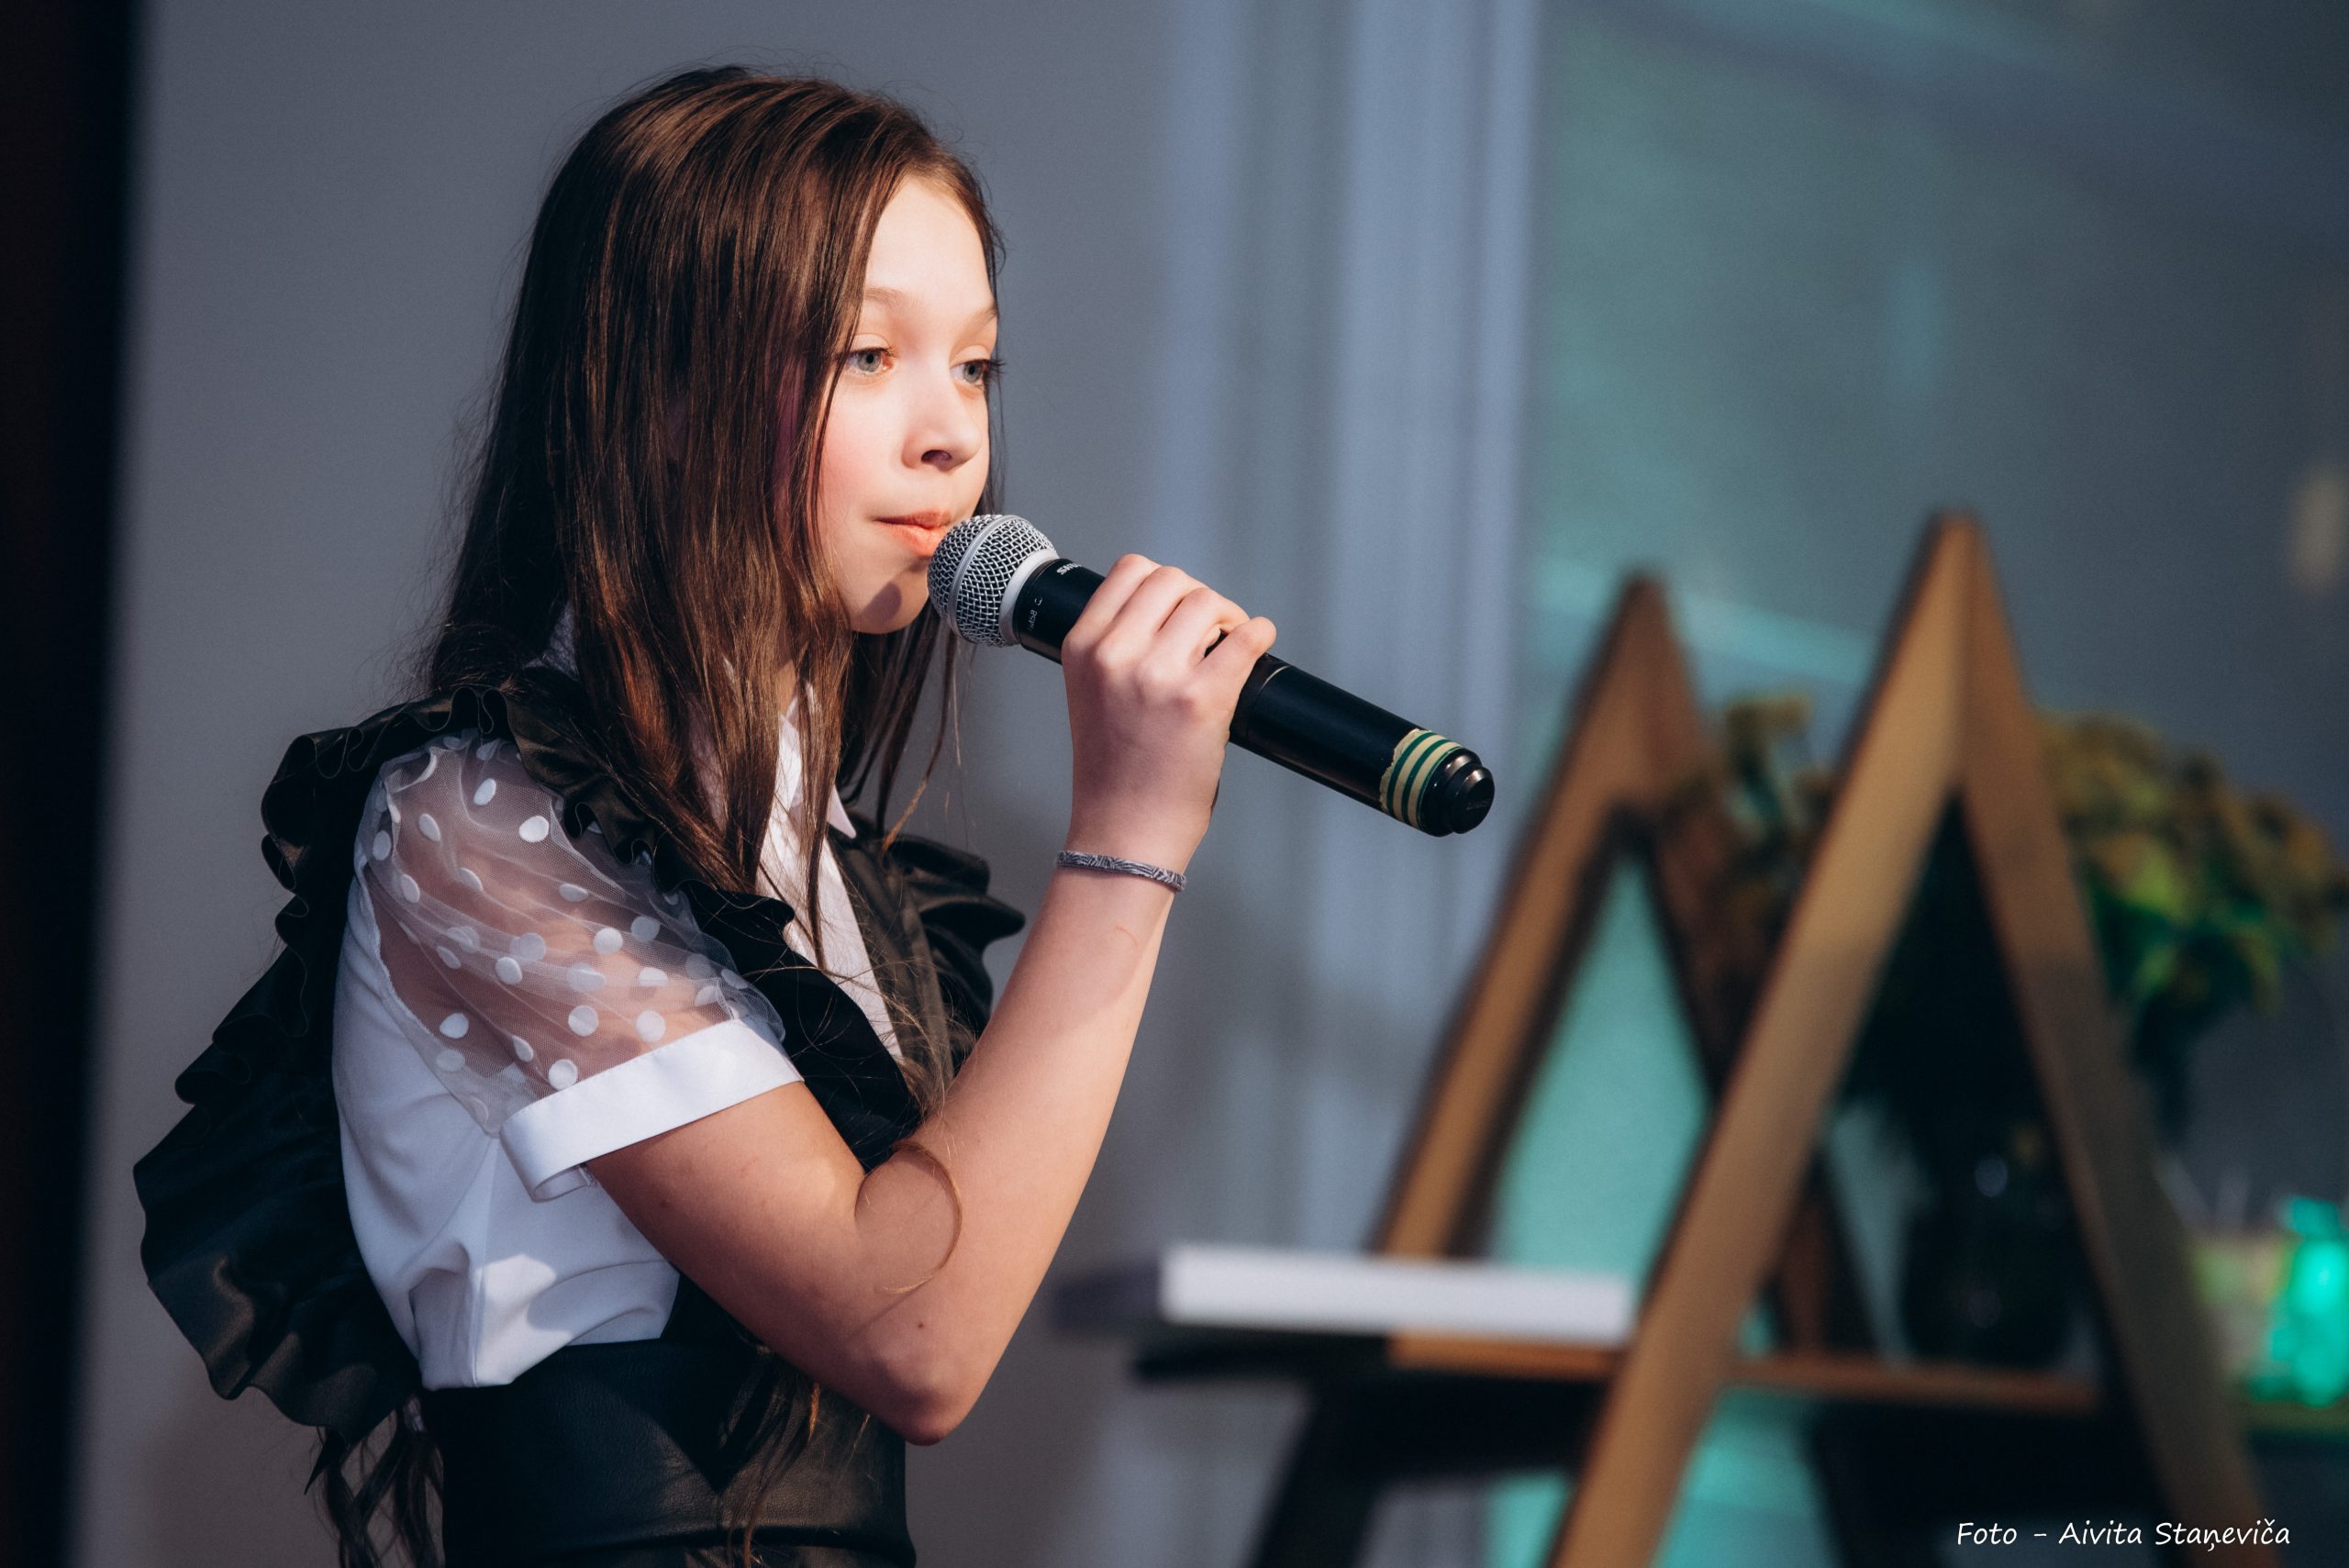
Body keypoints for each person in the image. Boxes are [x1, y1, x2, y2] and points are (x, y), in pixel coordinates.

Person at [132, 66, 1277, 1568]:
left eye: (976, 365)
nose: (950, 431)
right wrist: (1129, 840)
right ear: (660, 392)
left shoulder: (842, 867)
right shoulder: (477, 818)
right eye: (869, 354)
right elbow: (915, 1333)